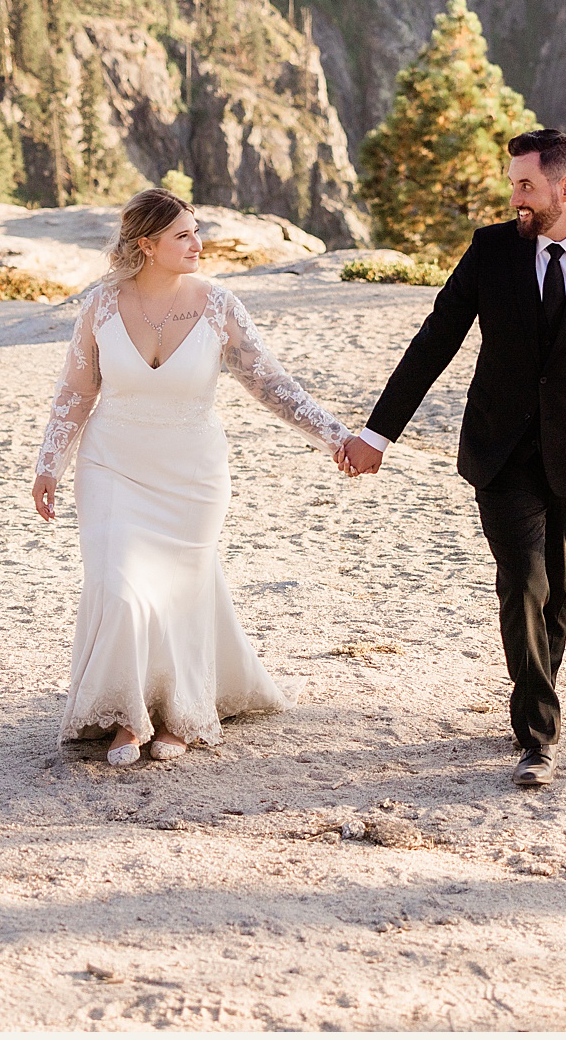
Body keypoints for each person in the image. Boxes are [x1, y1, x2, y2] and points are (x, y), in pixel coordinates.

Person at [339, 128, 566, 788]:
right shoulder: (491, 251)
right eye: (513, 183)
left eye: (526, 186)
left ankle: (534, 696)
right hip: (499, 451)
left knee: (557, 591)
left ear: (564, 189)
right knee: (523, 577)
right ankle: (538, 734)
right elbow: (435, 340)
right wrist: (377, 435)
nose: (514, 196)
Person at [32, 187, 350, 766]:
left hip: (192, 474)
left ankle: (178, 714)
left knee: (178, 594)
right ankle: (127, 718)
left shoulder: (218, 304)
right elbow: (77, 392)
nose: (198, 244)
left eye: (196, 230)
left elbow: (271, 384)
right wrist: (48, 464)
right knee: (121, 589)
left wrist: (336, 437)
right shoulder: (102, 306)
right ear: (146, 245)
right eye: (183, 234)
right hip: (111, 467)